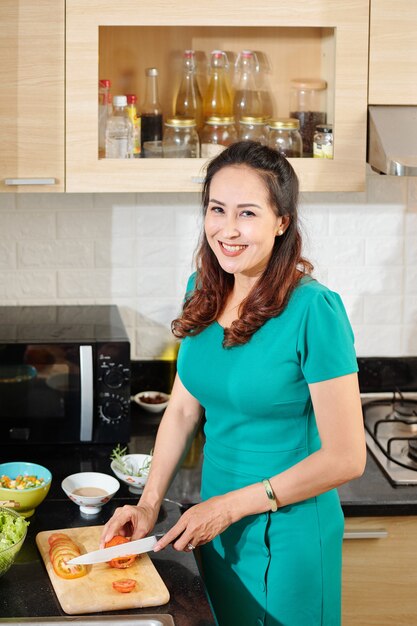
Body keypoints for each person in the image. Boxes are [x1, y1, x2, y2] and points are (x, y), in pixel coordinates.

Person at [100, 141, 366, 626]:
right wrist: (148, 503)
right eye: (217, 209)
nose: (227, 229)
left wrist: (230, 507)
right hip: (213, 527)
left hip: (285, 536)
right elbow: (182, 409)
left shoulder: (314, 311)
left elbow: (347, 457)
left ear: (281, 220)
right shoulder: (201, 288)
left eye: (247, 213)